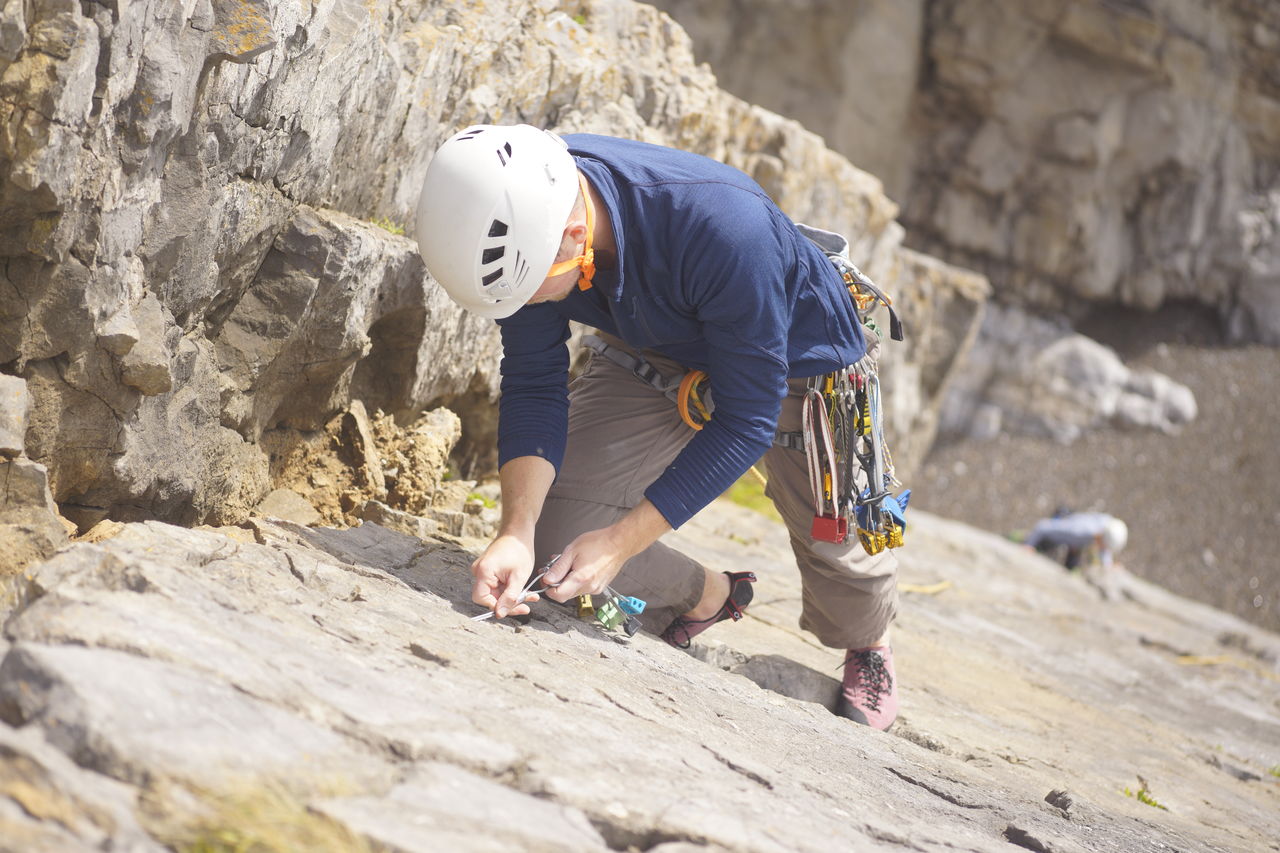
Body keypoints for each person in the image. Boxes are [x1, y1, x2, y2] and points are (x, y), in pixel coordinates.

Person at [415, 124, 900, 729]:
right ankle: (708, 595)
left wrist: (620, 543)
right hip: (662, 337)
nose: (528, 310)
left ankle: (869, 643)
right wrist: (516, 529)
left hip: (800, 357)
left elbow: (746, 422)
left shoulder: (724, 228)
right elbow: (535, 382)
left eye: (532, 296)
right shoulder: (523, 216)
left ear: (573, 238)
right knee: (552, 546)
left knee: (839, 555)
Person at [1024, 511, 1128, 571]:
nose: (1105, 550)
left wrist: (1108, 566)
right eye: (1105, 546)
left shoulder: (1105, 523)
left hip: (1074, 542)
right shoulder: (1079, 531)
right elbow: (1043, 526)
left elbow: (1104, 550)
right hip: (1056, 534)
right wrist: (1029, 545)